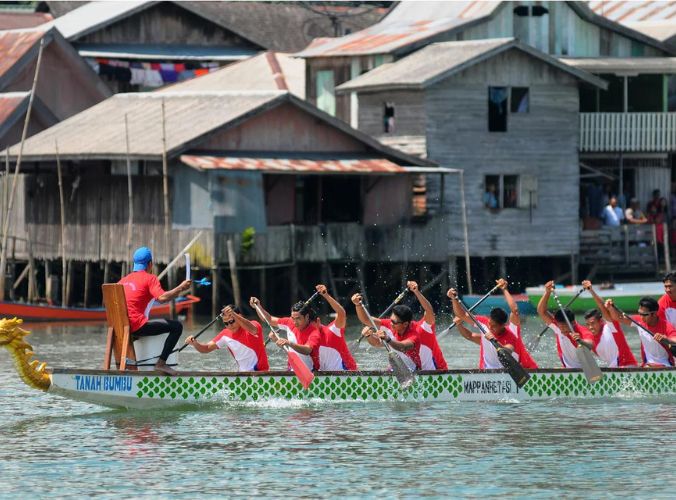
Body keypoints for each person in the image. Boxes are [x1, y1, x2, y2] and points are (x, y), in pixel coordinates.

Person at [118, 246, 192, 375]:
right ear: (150, 264)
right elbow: (162, 298)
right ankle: (161, 363)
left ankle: (125, 366)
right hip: (136, 326)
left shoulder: (122, 281)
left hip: (120, 327)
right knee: (177, 326)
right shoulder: (150, 278)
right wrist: (180, 287)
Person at [448, 287, 538, 370]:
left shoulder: (512, 333)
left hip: (513, 370)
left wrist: (504, 289)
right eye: (489, 324)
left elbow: (507, 352)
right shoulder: (484, 323)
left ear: (503, 325)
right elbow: (462, 315)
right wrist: (454, 299)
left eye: (494, 326)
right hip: (486, 372)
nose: (490, 327)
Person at [184, 305, 269, 371]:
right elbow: (206, 349)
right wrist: (195, 343)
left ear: (239, 316)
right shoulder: (225, 334)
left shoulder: (254, 324)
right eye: (226, 323)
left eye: (231, 321)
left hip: (261, 373)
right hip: (242, 376)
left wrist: (234, 314)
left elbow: (253, 330)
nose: (230, 325)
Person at [352, 292, 422, 371]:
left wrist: (387, 339)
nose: (391, 323)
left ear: (405, 324)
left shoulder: (414, 336)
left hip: (413, 371)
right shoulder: (390, 324)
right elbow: (366, 320)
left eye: (394, 322)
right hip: (395, 369)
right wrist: (358, 305)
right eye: (391, 320)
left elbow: (403, 347)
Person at [251, 296, 322, 372]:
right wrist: (258, 306)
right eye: (293, 318)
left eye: (298, 318)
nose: (295, 322)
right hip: (291, 370)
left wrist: (289, 343)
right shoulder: (289, 322)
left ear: (307, 317)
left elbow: (307, 350)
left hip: (311, 371)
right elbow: (269, 319)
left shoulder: (314, 332)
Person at [536, 280, 595, 369]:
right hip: (567, 369)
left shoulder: (583, 331)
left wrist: (580, 341)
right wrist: (547, 292)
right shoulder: (557, 327)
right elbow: (541, 311)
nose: (562, 330)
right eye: (561, 326)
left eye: (565, 326)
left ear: (573, 323)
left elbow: (590, 345)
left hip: (585, 369)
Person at [580, 281, 637, 367]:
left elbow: (602, 307)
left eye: (592, 323)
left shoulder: (610, 328)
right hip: (613, 370)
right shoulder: (591, 340)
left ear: (601, 321)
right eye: (587, 324)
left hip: (628, 366)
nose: (590, 327)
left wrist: (591, 291)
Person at [608, 297, 676, 367]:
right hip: (647, 365)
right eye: (639, 313)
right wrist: (611, 308)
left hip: (666, 364)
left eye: (644, 315)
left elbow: (675, 340)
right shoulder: (638, 321)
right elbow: (618, 318)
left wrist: (666, 339)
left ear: (654, 314)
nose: (641, 317)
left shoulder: (666, 326)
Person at [314, 284, 358, 371]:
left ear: (318, 322)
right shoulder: (306, 335)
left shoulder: (333, 330)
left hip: (347, 371)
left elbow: (341, 313)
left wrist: (326, 295)